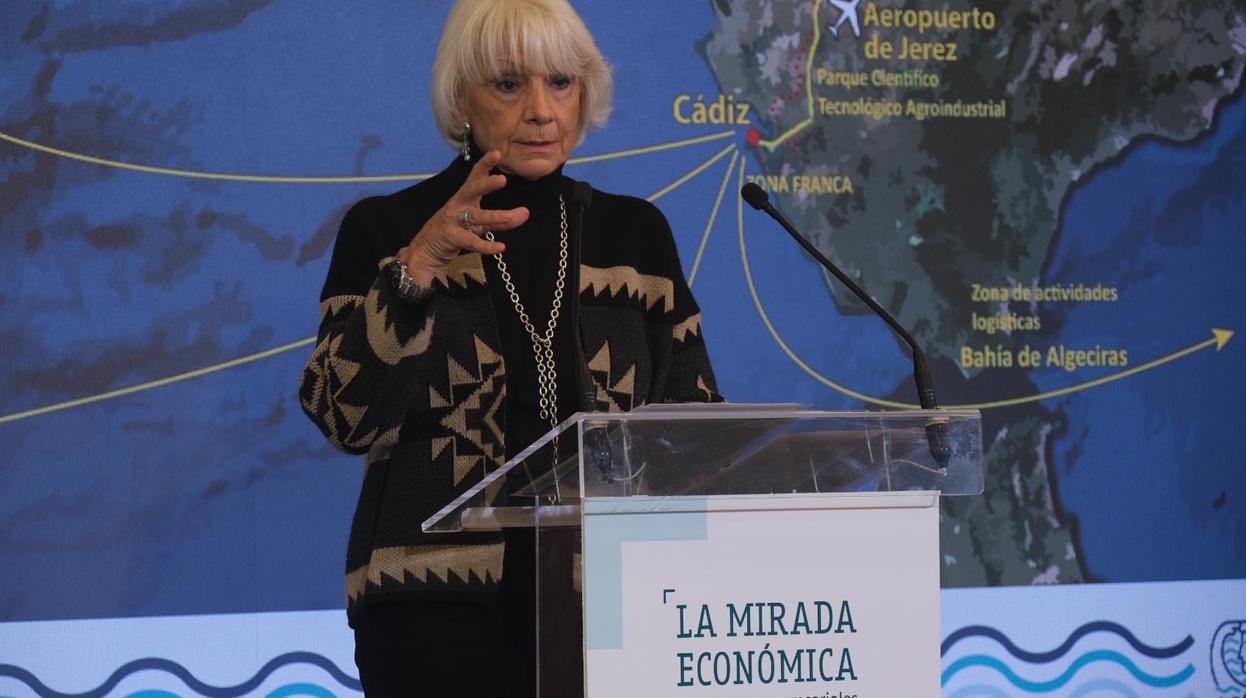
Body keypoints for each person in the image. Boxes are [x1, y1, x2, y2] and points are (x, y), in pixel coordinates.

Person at [298, 0, 721, 694]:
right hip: (431, 613)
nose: (541, 110)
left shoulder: (637, 238)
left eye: (561, 82)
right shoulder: (388, 230)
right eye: (508, 84)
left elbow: (695, 428)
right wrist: (419, 267)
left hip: (611, 611)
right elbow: (343, 417)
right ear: (461, 96)